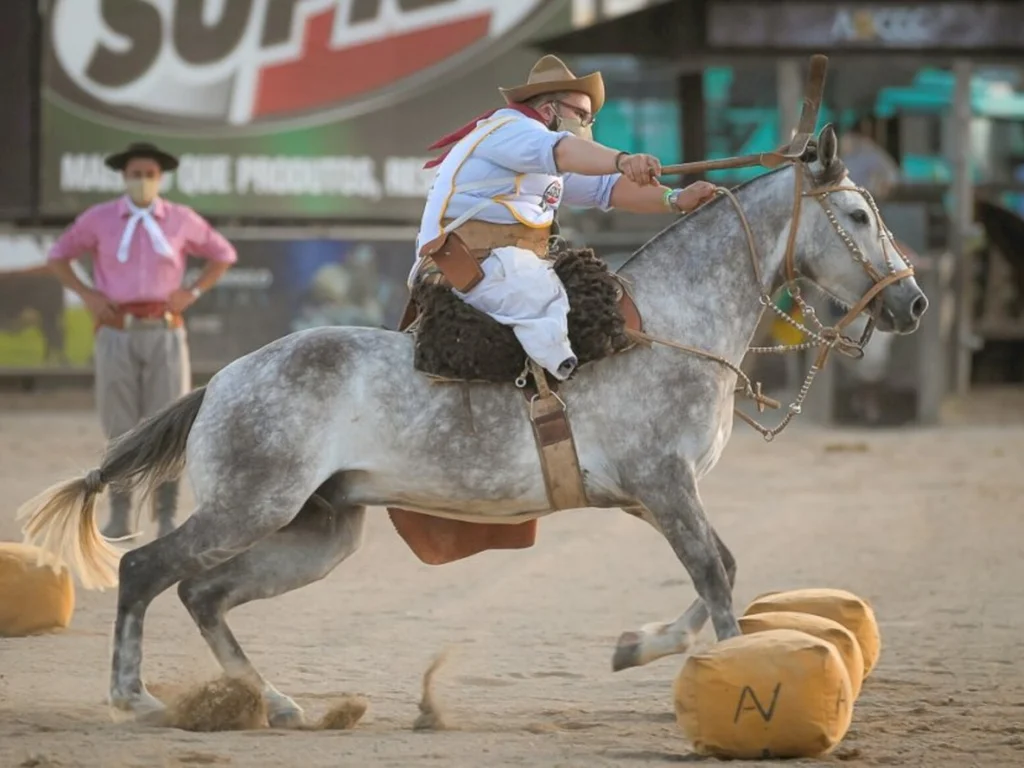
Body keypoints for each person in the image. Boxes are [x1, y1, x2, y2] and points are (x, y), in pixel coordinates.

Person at [413, 55, 717, 381]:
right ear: (549, 110)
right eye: (581, 115)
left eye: (590, 118)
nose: (587, 124)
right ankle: (550, 405)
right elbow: (564, 150)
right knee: (570, 313)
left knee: (600, 302)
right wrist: (623, 159)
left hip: (497, 269)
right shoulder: (511, 129)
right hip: (466, 269)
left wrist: (675, 199)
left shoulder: (540, 157)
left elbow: (607, 189)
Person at [47, 142, 237, 538]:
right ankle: (120, 513)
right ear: (124, 177)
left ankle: (165, 515)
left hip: (164, 329)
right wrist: (88, 295)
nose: (143, 181)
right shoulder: (100, 219)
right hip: (117, 329)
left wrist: (193, 291)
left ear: (160, 178)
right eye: (136, 174)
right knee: (119, 424)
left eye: (150, 174)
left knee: (168, 422)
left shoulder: (180, 219)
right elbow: (59, 255)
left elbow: (222, 254)